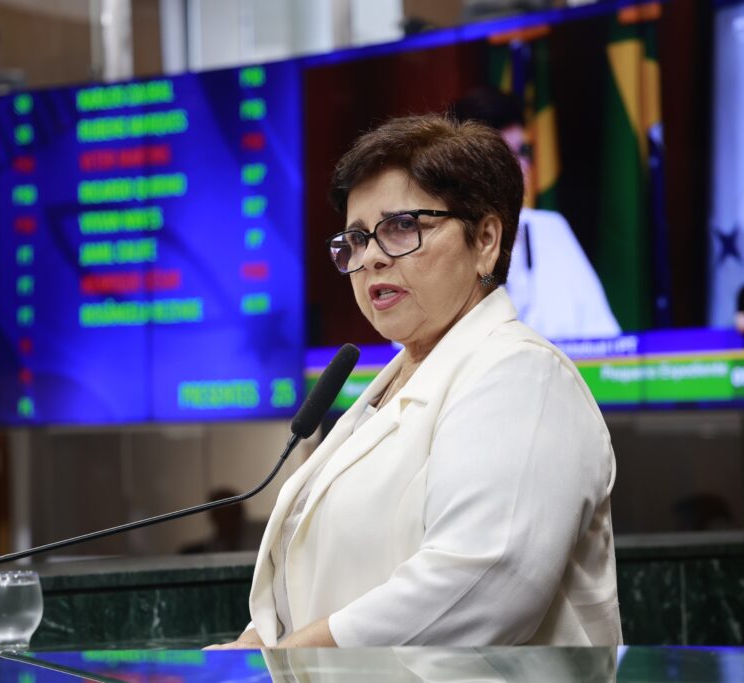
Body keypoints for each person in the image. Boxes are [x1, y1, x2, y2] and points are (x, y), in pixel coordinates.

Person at [208, 114, 621, 649]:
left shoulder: (523, 374)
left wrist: (287, 663)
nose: (372, 258)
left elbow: (481, 582)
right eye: (357, 238)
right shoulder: (386, 387)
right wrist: (245, 653)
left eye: (402, 226)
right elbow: (322, 584)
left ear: (486, 240)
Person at [451, 89, 621, 339]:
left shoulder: (550, 229)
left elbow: (607, 338)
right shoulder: (442, 240)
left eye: (522, 151)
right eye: (505, 156)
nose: (521, 167)